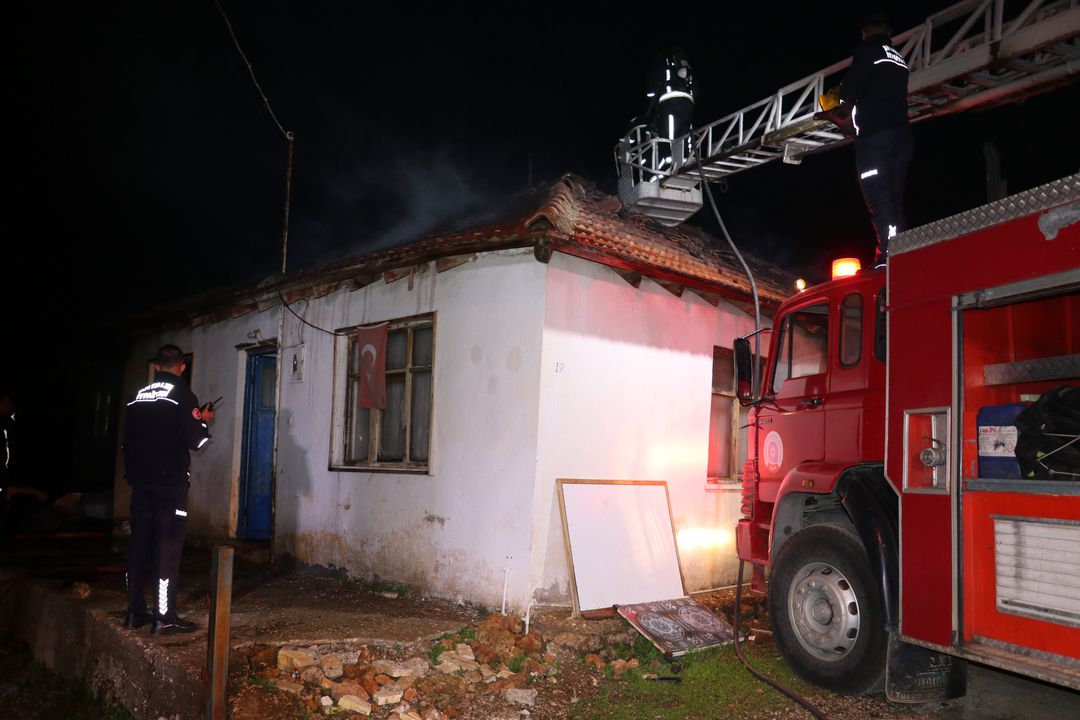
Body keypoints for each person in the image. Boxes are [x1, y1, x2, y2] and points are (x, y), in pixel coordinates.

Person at [122, 344, 214, 634]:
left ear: (157, 366)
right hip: (169, 487)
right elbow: (197, 441)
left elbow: (127, 441)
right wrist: (205, 421)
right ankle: (163, 617)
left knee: (138, 546)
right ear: (182, 366)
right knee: (167, 550)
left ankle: (134, 612)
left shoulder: (137, 397)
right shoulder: (183, 397)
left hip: (140, 485)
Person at [839, 13, 912, 266]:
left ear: (864, 32)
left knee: (879, 197)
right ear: (889, 32)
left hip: (875, 138)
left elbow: (847, 95)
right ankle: (898, 249)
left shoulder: (867, 51)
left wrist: (839, 111)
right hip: (901, 137)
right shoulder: (898, 58)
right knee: (893, 195)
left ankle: (888, 255)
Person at [645, 48, 695, 173]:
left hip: (670, 105)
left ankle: (667, 168)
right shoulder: (685, 69)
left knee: (669, 138)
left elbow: (651, 93)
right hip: (688, 105)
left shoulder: (662, 68)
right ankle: (685, 161)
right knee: (684, 135)